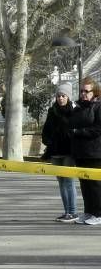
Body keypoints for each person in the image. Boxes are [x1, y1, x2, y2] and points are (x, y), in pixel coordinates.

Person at [41, 83, 78, 222]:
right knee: (61, 182)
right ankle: (66, 211)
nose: (60, 98)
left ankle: (73, 212)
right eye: (58, 96)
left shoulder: (74, 111)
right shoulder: (52, 111)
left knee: (68, 181)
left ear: (68, 96)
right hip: (55, 151)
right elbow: (46, 131)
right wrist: (48, 141)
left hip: (69, 152)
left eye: (63, 96)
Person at [68, 78, 101, 226]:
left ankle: (99, 214)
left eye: (86, 91)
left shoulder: (98, 107)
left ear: (94, 92)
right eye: (81, 91)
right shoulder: (77, 107)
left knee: (95, 185)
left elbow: (97, 129)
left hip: (95, 152)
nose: (83, 94)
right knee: (85, 184)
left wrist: (79, 132)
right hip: (80, 152)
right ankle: (89, 212)